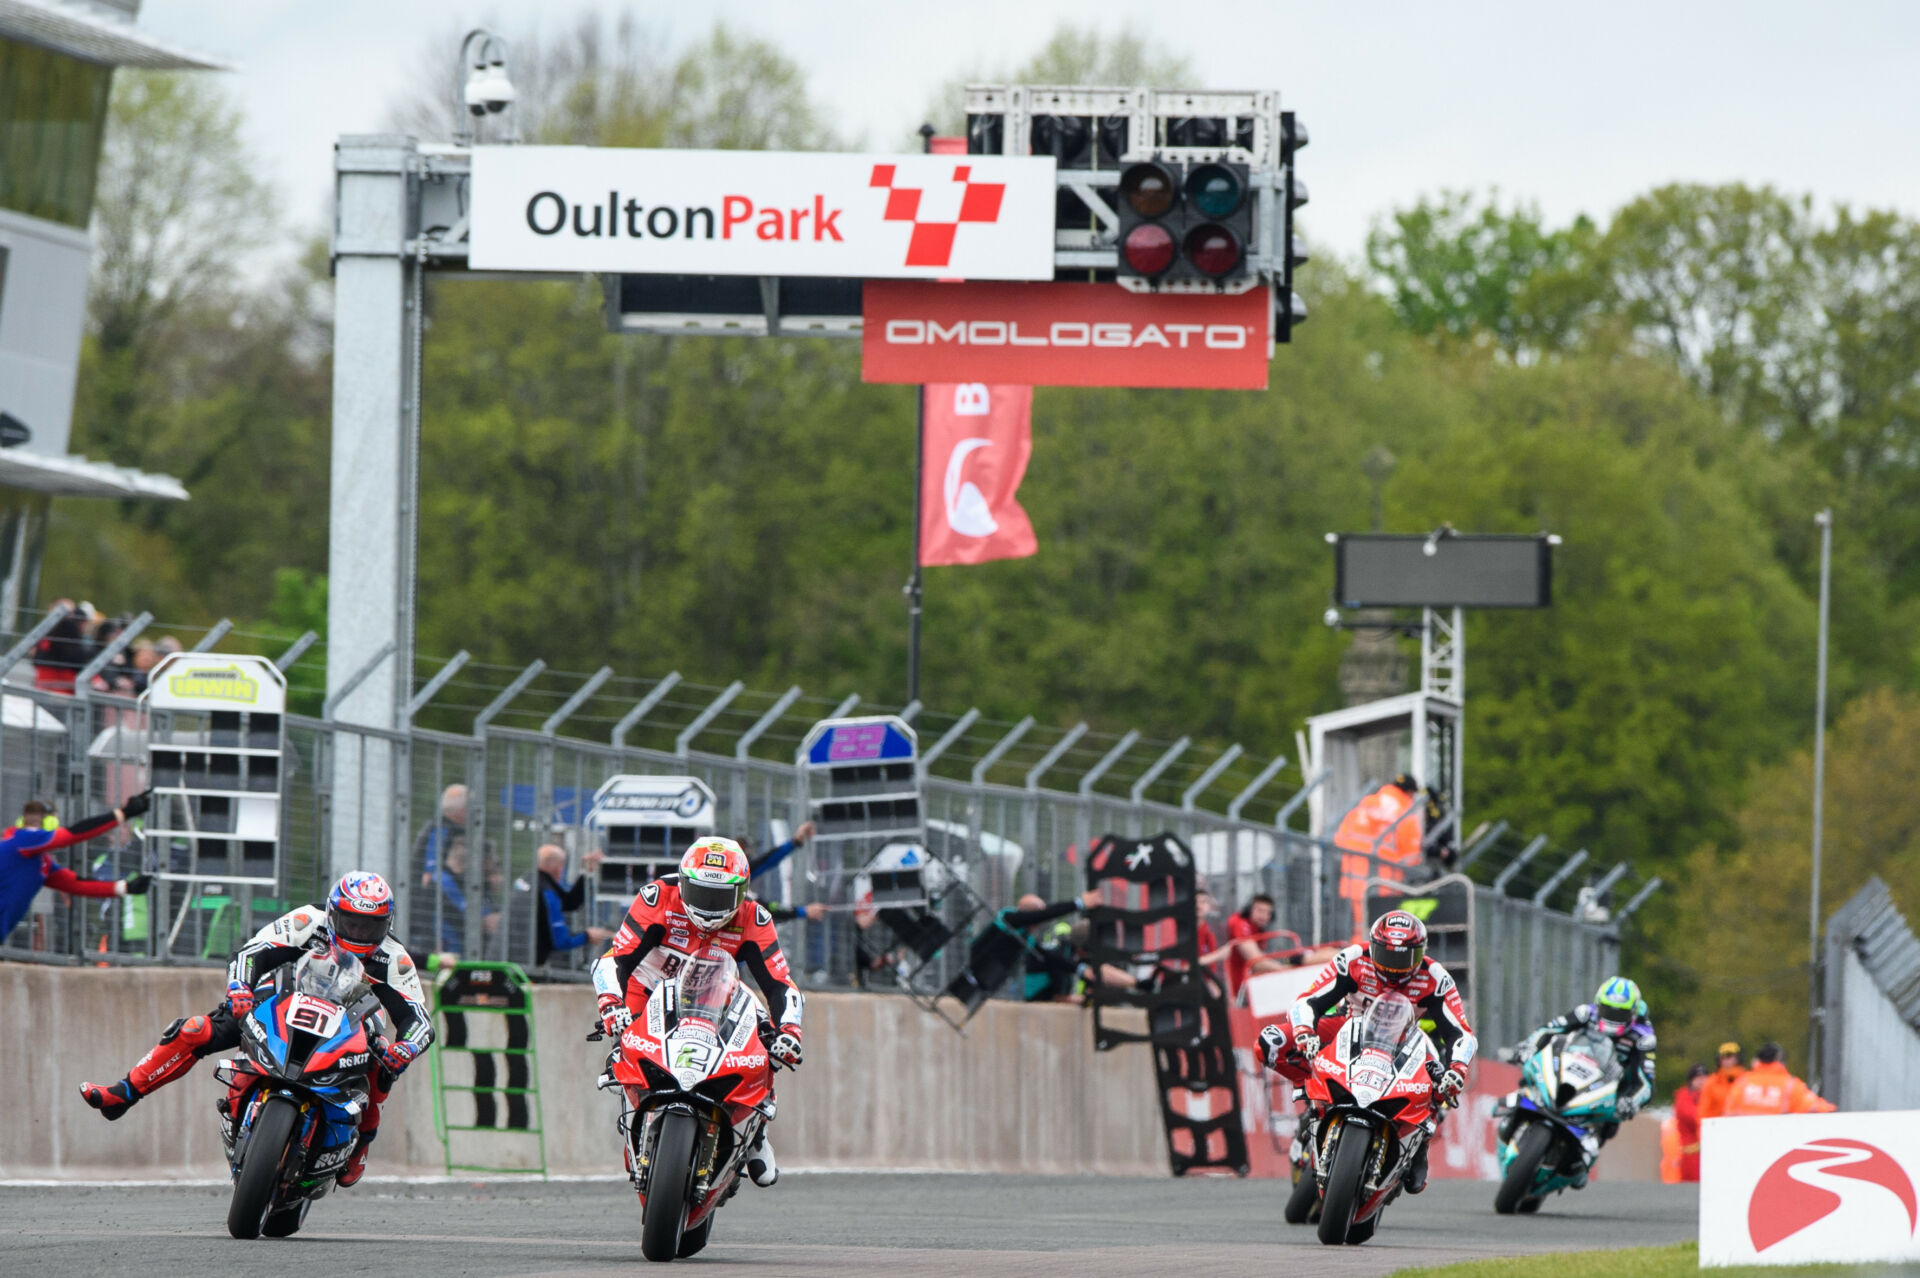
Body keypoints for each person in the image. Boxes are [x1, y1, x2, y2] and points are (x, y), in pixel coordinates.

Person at [79, 871, 433, 1188]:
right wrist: (239, 988)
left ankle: (363, 1141)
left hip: (348, 1024)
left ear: (385, 925)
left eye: (367, 927)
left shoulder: (394, 957)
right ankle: (123, 1093)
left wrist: (406, 1048)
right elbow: (252, 953)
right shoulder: (307, 920)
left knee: (383, 1058)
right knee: (194, 1030)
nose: (357, 932)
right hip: (284, 1003)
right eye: (350, 922)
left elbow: (419, 1020)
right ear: (332, 912)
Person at [592, 838, 803, 1189]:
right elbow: (615, 960)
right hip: (649, 987)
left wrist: (789, 1032)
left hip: (715, 992)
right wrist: (611, 1006)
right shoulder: (657, 898)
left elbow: (781, 985)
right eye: (700, 893)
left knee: (767, 1037)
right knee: (622, 1047)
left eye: (719, 898)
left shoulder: (755, 917)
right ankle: (637, 1111)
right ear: (683, 880)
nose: (708, 908)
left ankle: (757, 1129)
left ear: (741, 894)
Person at [1257, 910, 1476, 1196]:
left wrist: (1457, 1068)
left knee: (1443, 1084)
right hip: (1346, 1025)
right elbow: (1309, 1000)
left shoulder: (1436, 977)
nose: (1395, 968)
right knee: (1269, 1043)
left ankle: (1419, 1144)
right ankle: (1311, 1089)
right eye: (1387, 956)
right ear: (1373, 947)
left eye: (1404, 958)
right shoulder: (1353, 959)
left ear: (1421, 953)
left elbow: (1461, 1032)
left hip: (1407, 1039)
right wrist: (1304, 1031)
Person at [1510, 977, 1657, 1174]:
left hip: (1611, 1084)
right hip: (1573, 1066)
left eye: (1620, 1013)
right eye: (1608, 1010)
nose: (1613, 1017)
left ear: (1632, 1012)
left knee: (1611, 1123)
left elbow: (1646, 1081)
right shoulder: (1585, 1013)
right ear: (1598, 1004)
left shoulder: (1644, 1037)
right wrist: (1529, 1046)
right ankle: (1517, 1117)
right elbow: (1549, 1029)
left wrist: (1631, 1101)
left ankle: (1582, 1159)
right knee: (1528, 1078)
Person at [1, 794, 153, 942]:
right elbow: (72, 835)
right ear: (49, 823)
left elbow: (75, 884)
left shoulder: (40, 860)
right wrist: (124, 813)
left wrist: (125, 887)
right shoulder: (22, 839)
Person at [1334, 774, 1424, 934]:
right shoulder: (1405, 813)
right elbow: (1411, 857)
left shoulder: (1368, 802)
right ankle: (1370, 957)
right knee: (1380, 931)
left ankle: (1357, 956)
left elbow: (1339, 838)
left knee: (1358, 928)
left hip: (1352, 880)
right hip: (1384, 885)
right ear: (1410, 793)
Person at [534, 844, 613, 966]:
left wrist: (586, 871)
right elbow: (560, 941)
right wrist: (587, 936)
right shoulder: (547, 892)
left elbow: (569, 902)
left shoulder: (532, 881)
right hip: (532, 964)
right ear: (559, 868)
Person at [1718, 1042, 1835, 1116]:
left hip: (1746, 1146)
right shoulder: (1790, 1085)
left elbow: (1728, 1114)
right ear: (1779, 1059)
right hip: (1778, 1147)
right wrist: (1832, 1108)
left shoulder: (1742, 1084)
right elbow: (1816, 1107)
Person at [1224, 893, 1285, 997]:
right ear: (1249, 910)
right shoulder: (1239, 922)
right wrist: (1285, 969)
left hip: (1249, 985)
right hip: (1237, 987)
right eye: (1260, 911)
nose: (1264, 916)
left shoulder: (1259, 929)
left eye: (1268, 912)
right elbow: (1255, 959)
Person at [747, 820, 817, 881]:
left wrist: (796, 841)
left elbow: (767, 860)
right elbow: (767, 861)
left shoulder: (744, 871)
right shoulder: (741, 873)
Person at [1673, 1064, 1708, 1183]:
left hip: (1709, 1152)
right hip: (1692, 1153)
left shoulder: (1710, 1096)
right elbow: (1692, 1117)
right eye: (1698, 1078)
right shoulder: (1684, 1096)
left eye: (1704, 1077)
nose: (1701, 1081)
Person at [1698, 1041, 1747, 1120]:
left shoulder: (1747, 1080)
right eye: (1722, 1057)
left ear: (1738, 1058)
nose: (1725, 1060)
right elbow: (1703, 1112)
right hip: (1718, 1127)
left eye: (1729, 1056)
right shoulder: (1712, 1082)